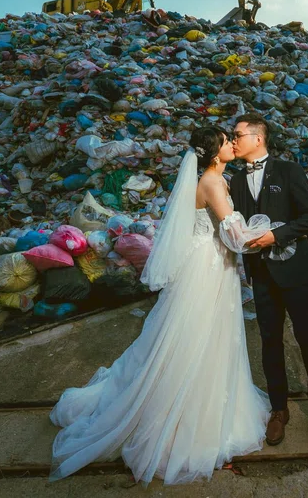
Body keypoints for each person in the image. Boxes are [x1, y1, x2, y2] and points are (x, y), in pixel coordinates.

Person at [49, 126, 270, 486]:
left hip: (209, 263)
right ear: (215, 153)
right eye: (228, 141)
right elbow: (234, 235)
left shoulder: (213, 178)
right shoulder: (214, 183)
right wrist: (268, 233)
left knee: (200, 336)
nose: (233, 143)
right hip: (209, 267)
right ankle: (182, 418)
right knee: (198, 337)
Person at [229, 113, 308, 447]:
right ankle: (278, 409)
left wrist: (276, 236)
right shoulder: (234, 180)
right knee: (269, 340)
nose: (233, 141)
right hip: (261, 274)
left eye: (238, 135)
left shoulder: (289, 171)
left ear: (258, 138)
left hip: (296, 272)